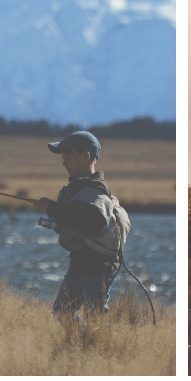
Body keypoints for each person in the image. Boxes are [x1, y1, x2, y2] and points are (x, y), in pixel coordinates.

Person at [32, 131, 126, 323]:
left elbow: (92, 222)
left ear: (86, 156)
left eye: (68, 156)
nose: (64, 162)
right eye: (62, 157)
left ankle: (100, 348)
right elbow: (75, 222)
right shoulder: (75, 191)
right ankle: (85, 344)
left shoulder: (97, 193)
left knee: (95, 317)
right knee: (62, 312)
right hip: (80, 260)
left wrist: (52, 208)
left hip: (98, 264)